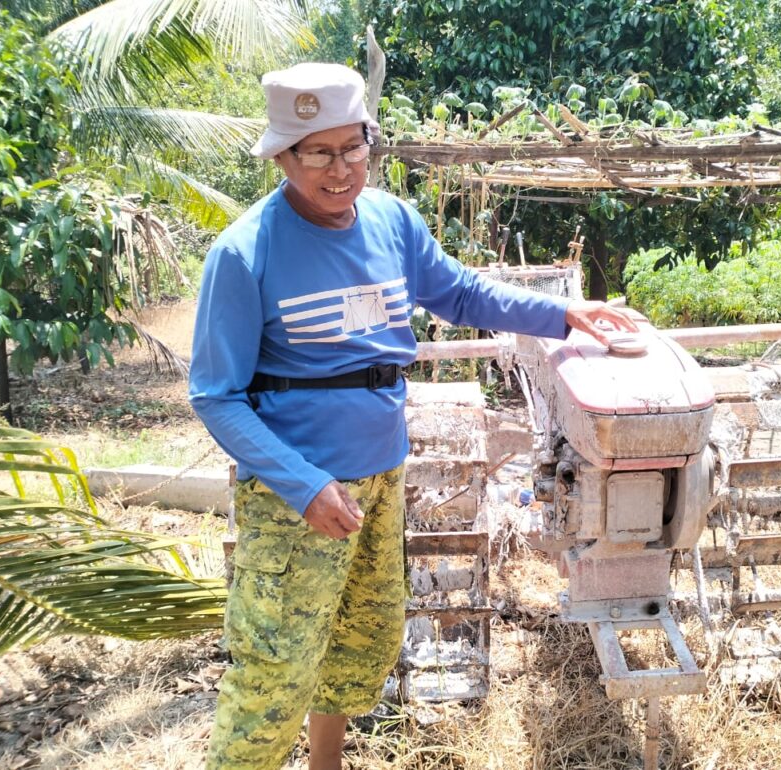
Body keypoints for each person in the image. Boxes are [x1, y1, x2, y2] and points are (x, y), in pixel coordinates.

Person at [188, 62, 636, 770]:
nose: (340, 170)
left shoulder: (393, 222)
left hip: (380, 481)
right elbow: (215, 395)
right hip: (295, 497)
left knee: (354, 645)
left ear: (370, 140)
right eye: (318, 153)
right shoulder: (246, 253)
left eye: (353, 147)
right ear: (281, 155)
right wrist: (303, 485)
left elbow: (460, 293)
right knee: (274, 673)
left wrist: (563, 314)